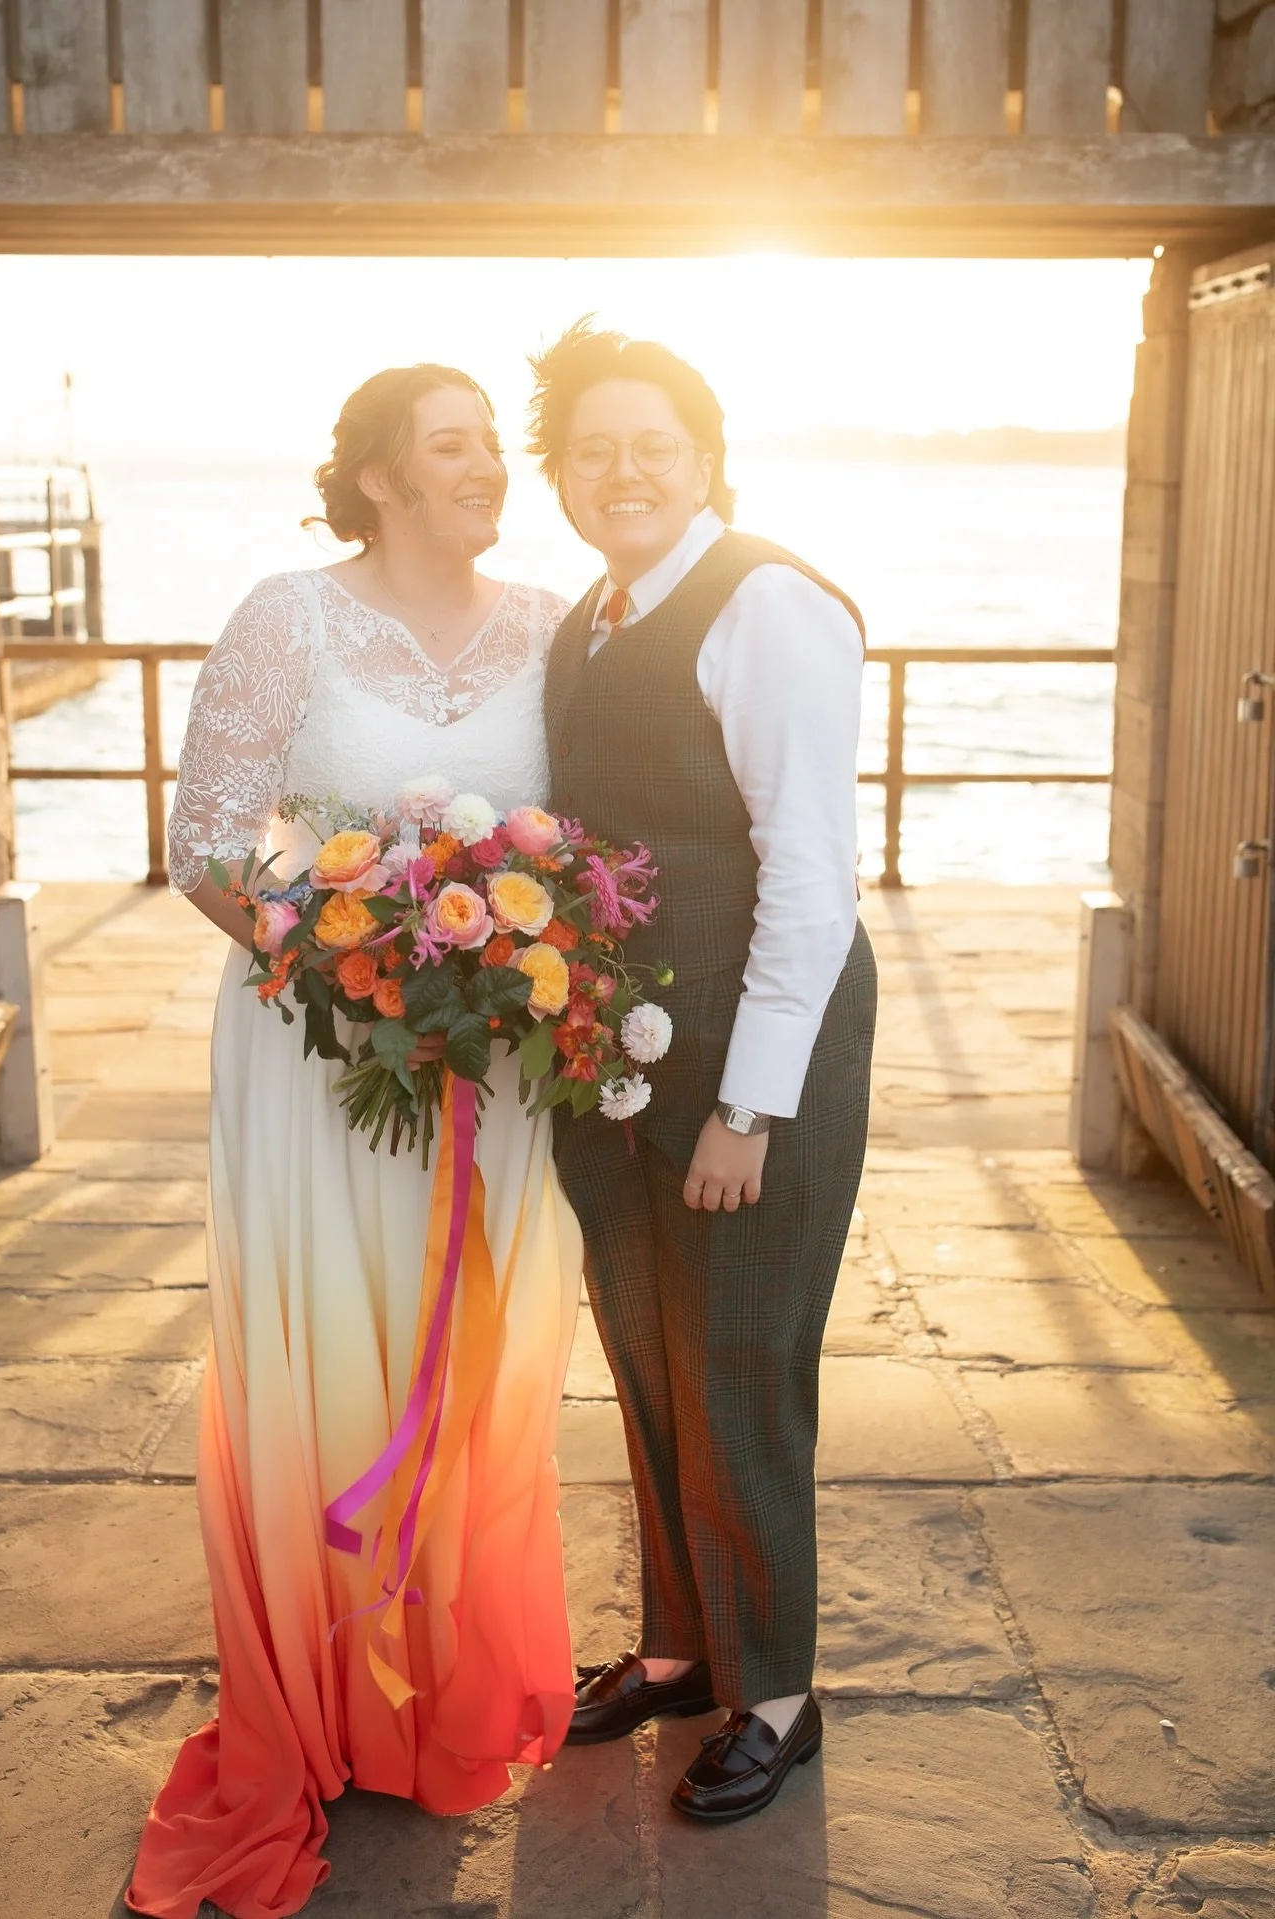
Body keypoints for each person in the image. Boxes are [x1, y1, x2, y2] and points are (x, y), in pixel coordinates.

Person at [127, 365, 582, 1918]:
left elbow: (588, 844)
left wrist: (518, 964)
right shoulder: (288, 618)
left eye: (493, 444)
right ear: (380, 476)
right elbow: (207, 841)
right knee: (329, 1358)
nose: (489, 466)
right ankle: (315, 1697)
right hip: (321, 1056)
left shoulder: (553, 627)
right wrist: (356, 960)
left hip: (492, 1068)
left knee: (476, 1362)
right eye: (453, 445)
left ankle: (438, 1690)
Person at [530, 320, 877, 1824]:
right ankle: (679, 1649)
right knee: (648, 1347)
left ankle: (779, 1696)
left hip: (749, 1056)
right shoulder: (593, 617)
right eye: (592, 450)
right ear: (560, 474)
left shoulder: (769, 606)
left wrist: (750, 1105)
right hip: (619, 1053)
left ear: (707, 461)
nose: (624, 472)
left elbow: (811, 877)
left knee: (740, 1365)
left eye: (653, 447)